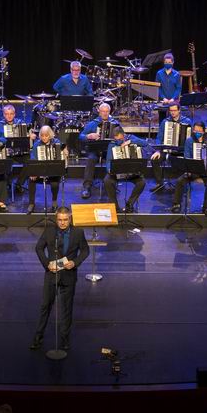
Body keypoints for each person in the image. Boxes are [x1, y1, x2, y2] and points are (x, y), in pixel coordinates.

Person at [30, 206, 90, 351]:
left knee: (66, 309)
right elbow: (39, 248)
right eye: (59, 220)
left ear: (70, 218)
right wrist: (47, 264)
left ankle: (64, 339)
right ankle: (38, 337)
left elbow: (85, 250)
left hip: (69, 276)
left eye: (65, 220)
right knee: (45, 306)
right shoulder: (49, 231)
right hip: (51, 274)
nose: (62, 223)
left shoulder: (78, 232)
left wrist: (75, 262)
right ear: (56, 219)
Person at [171, 121, 207, 215]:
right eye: (195, 130)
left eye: (199, 131)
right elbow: (187, 156)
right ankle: (176, 204)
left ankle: (205, 207)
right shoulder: (189, 141)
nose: (197, 132)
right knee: (180, 181)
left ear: (203, 131)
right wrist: (190, 167)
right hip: (194, 170)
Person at [78, 102, 120, 199]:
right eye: (103, 111)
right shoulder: (93, 123)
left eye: (107, 111)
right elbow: (81, 136)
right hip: (95, 150)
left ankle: (112, 184)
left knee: (114, 158)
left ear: (109, 112)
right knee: (91, 159)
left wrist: (118, 138)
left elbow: (122, 137)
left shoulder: (115, 123)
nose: (105, 113)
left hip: (109, 150)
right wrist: (89, 136)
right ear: (99, 112)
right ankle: (87, 186)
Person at [150, 102, 193, 193]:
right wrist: (158, 150)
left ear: (179, 110)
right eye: (171, 110)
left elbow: (191, 138)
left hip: (181, 150)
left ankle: (182, 184)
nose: (172, 112)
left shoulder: (187, 121)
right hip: (167, 150)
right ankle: (159, 183)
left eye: (174, 110)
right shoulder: (165, 122)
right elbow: (159, 138)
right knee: (154, 159)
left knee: (184, 160)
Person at [0, 104, 35, 192]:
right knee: (5, 163)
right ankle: (7, 184)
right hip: (6, 152)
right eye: (7, 114)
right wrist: (2, 140)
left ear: (14, 114)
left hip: (20, 152)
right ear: (4, 114)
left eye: (11, 114)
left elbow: (27, 136)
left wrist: (30, 136)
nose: (9, 116)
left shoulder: (20, 123)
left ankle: (19, 184)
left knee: (30, 162)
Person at [104, 126, 147, 213]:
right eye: (116, 139)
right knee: (107, 181)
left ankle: (130, 204)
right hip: (117, 173)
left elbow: (145, 143)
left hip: (132, 172)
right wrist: (110, 170)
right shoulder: (112, 144)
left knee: (142, 182)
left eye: (120, 139)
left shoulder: (131, 138)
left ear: (123, 135)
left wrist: (131, 141)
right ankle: (115, 207)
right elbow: (108, 161)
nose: (118, 142)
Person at [27, 125, 68, 215]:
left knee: (55, 183)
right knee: (31, 180)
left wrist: (65, 151)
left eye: (46, 135)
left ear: (50, 135)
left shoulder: (56, 142)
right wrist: (34, 172)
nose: (44, 138)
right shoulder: (37, 144)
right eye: (42, 136)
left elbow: (64, 151)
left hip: (53, 171)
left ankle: (54, 202)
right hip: (40, 171)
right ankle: (31, 203)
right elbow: (33, 158)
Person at [155, 53, 182, 123]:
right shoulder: (159, 73)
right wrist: (163, 98)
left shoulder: (177, 74)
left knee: (174, 120)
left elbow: (178, 88)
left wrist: (173, 99)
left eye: (169, 62)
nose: (167, 63)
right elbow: (158, 87)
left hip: (174, 101)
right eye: (166, 62)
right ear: (164, 62)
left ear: (173, 62)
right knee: (162, 120)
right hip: (163, 100)